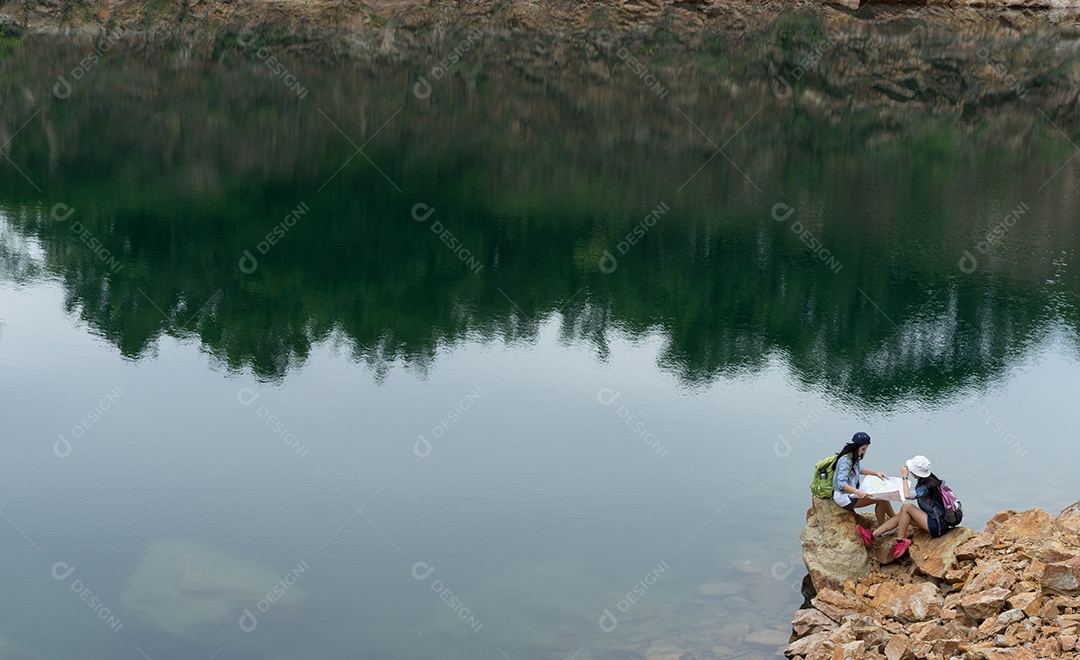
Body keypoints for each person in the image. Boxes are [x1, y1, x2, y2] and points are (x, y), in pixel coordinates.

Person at [857, 455, 950, 558]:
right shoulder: (930, 480)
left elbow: (907, 496)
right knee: (901, 516)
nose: (910, 470)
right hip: (935, 521)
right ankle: (871, 536)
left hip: (937, 525)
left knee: (906, 506)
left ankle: (901, 541)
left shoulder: (927, 486)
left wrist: (905, 477)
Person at [832, 432, 895, 526]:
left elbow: (859, 469)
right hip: (845, 498)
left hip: (852, 493)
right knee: (880, 499)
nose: (864, 452)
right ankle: (883, 528)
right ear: (855, 446)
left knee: (883, 496)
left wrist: (876, 473)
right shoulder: (845, 460)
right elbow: (841, 484)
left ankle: (895, 519)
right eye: (863, 449)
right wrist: (858, 492)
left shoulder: (853, 457)